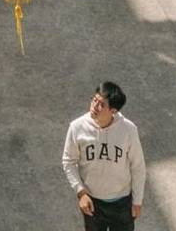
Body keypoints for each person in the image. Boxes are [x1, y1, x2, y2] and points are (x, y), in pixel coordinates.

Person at [62, 81, 146, 231]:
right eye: (94, 100)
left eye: (101, 104)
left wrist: (137, 201)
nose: (95, 106)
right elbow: (68, 162)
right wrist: (81, 193)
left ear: (113, 111)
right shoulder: (77, 128)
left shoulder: (128, 130)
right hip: (93, 203)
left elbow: (138, 167)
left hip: (121, 204)